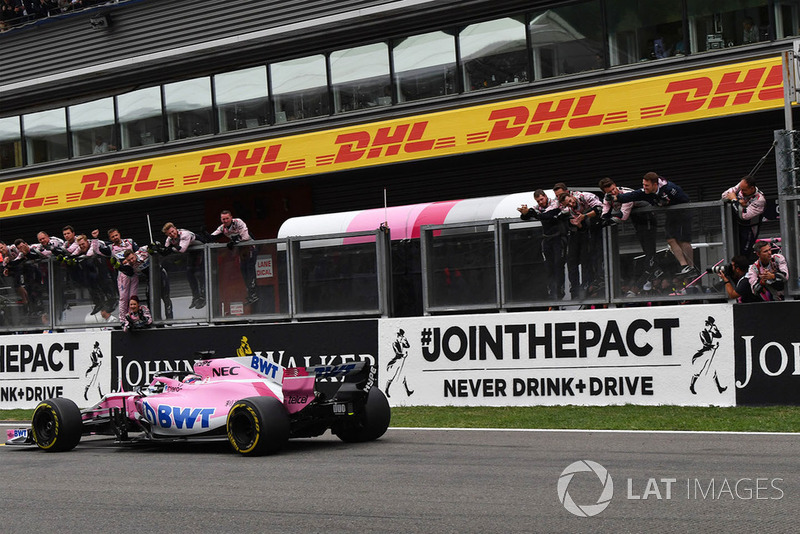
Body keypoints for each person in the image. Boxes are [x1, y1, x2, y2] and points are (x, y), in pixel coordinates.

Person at [616, 172, 696, 277]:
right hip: (672, 214)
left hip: (683, 211)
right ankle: (684, 266)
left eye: (647, 185)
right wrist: (616, 198)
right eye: (643, 185)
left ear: (655, 184)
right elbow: (631, 195)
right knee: (671, 239)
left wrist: (665, 200)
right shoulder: (645, 192)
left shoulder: (669, 188)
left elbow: (683, 198)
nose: (644, 187)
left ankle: (691, 267)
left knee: (683, 240)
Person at [599, 177, 658, 287]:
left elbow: (623, 217)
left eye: (613, 189)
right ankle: (653, 269)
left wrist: (608, 221)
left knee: (649, 245)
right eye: (609, 192)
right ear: (605, 192)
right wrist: (602, 221)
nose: (613, 192)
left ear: (615, 185)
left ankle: (651, 270)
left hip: (647, 214)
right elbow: (605, 212)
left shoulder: (626, 194)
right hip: (636, 217)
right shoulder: (607, 197)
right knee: (644, 244)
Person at [518, 189, 567, 300]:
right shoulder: (537, 208)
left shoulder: (555, 203)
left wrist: (533, 213)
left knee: (558, 265)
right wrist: (525, 213)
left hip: (558, 238)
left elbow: (548, 215)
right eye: (538, 201)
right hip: (547, 239)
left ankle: (560, 291)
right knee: (549, 267)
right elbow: (526, 216)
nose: (540, 202)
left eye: (541, 199)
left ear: (545, 196)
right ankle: (551, 292)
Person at [558, 190, 602, 299]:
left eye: (570, 201)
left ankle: (592, 286)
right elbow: (581, 225)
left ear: (571, 196)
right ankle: (578, 291)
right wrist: (578, 224)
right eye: (568, 204)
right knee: (577, 260)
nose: (571, 204)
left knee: (593, 259)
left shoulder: (584, 196)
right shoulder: (569, 210)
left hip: (599, 224)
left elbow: (600, 208)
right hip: (586, 232)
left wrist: (585, 216)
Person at [211, 210, 258, 304]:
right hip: (241, 250)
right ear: (221, 219)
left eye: (227, 218)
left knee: (250, 269)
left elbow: (245, 237)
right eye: (223, 219)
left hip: (250, 246)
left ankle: (254, 294)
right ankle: (250, 295)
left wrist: (234, 242)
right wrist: (204, 234)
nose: (225, 221)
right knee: (243, 270)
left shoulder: (238, 222)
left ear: (231, 217)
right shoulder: (222, 228)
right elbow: (212, 237)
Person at [161, 222, 205, 309]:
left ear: (175, 228)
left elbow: (181, 250)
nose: (172, 234)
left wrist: (170, 249)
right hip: (192, 252)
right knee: (189, 273)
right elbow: (165, 250)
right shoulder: (169, 239)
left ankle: (203, 296)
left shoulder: (185, 234)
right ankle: (195, 297)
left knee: (200, 273)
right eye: (169, 233)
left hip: (202, 249)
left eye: (173, 231)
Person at [121, 248, 174, 319]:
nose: (132, 261)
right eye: (129, 260)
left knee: (165, 296)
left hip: (160, 273)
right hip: (149, 277)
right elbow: (124, 269)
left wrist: (152, 247)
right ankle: (153, 318)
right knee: (149, 297)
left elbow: (151, 246)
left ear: (134, 254)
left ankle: (169, 317)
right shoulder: (128, 265)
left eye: (132, 258)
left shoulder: (142, 251)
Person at [721, 175, 765, 259]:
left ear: (752, 188)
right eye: (740, 189)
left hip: (749, 229)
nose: (741, 191)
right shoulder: (742, 186)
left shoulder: (760, 200)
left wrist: (734, 200)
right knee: (731, 252)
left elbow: (744, 216)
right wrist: (739, 202)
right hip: (735, 226)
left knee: (744, 254)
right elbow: (724, 195)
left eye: (744, 190)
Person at [689, 316, 726, 395]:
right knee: (698, 371)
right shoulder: (702, 332)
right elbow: (705, 343)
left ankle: (719, 388)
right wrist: (713, 346)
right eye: (709, 325)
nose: (710, 327)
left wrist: (716, 329)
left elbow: (719, 336)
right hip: (703, 354)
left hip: (709, 353)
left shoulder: (711, 333)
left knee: (713, 371)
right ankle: (692, 386)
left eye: (711, 325)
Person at [385, 328, 413, 398]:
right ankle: (386, 390)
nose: (401, 337)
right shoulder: (394, 343)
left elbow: (408, 346)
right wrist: (403, 355)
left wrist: (406, 341)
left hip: (400, 361)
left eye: (402, 336)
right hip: (395, 362)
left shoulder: (401, 343)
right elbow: (397, 353)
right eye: (400, 336)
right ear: (398, 336)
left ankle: (408, 392)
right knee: (391, 377)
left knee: (403, 377)